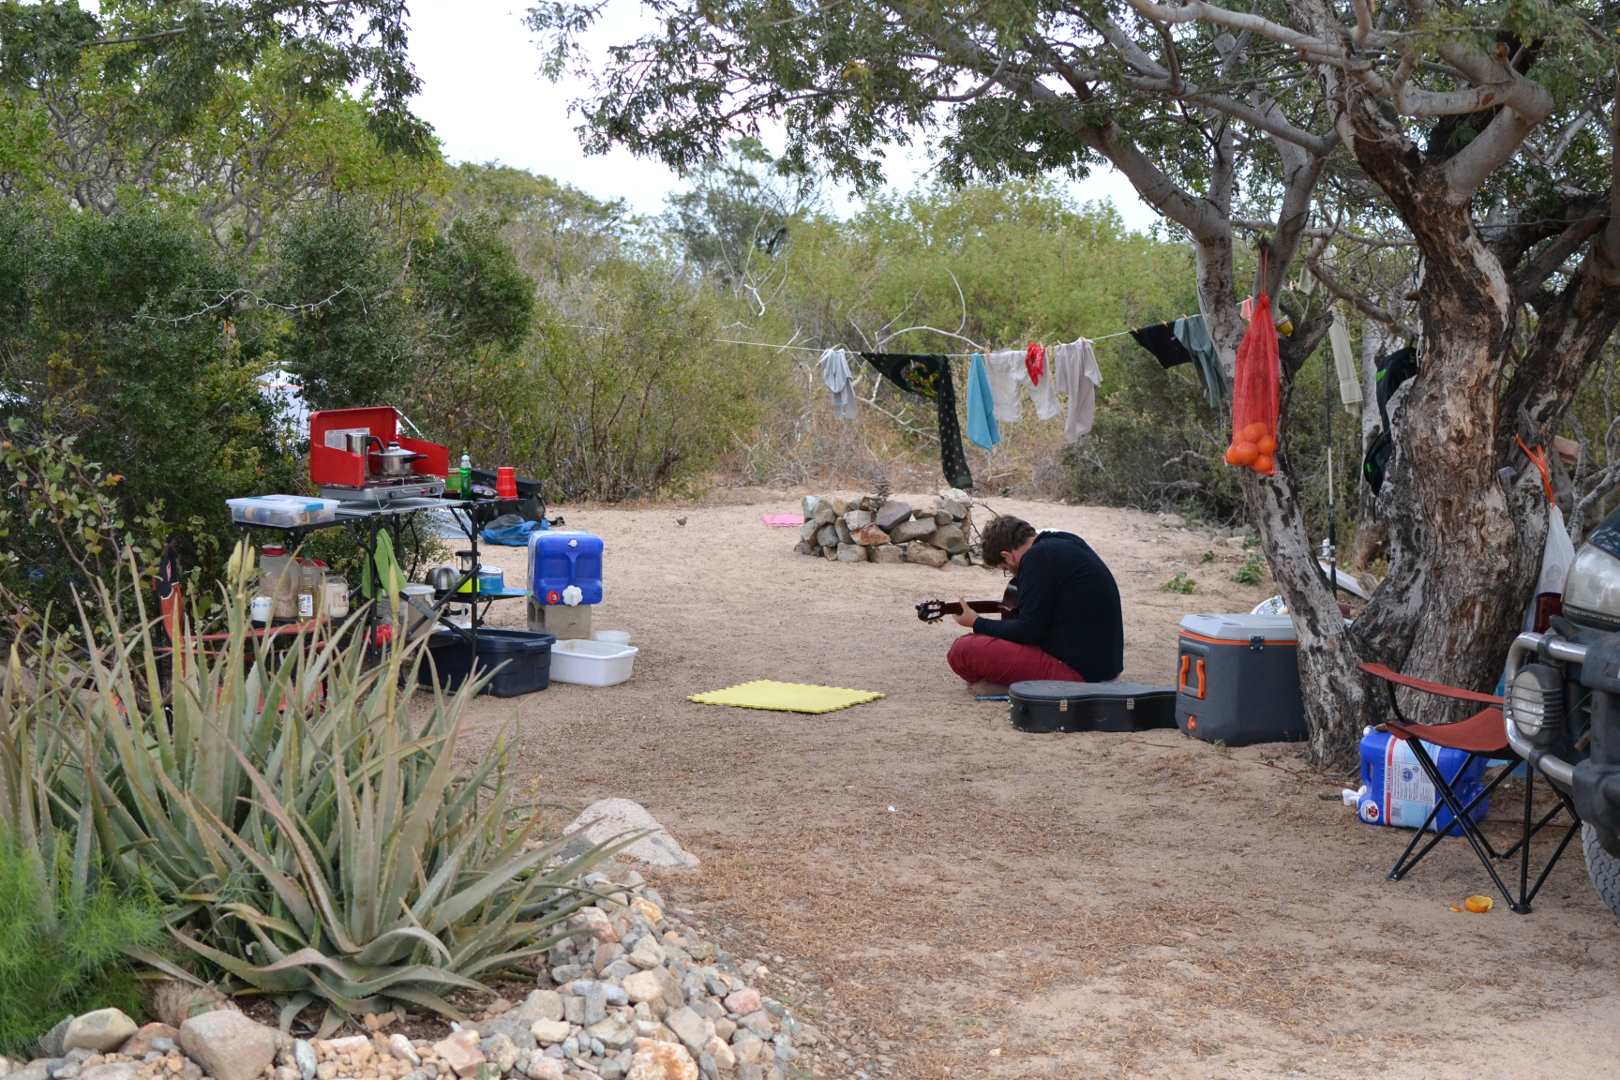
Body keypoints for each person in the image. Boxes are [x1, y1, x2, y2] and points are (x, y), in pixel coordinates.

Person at [947, 515, 1124, 694]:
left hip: (1079, 676)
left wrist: (977, 623)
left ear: (1007, 556)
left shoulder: (1037, 558)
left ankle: (1012, 688)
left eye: (1006, 569)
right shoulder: (1062, 540)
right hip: (1102, 669)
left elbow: (1028, 632)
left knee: (962, 650)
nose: (1012, 574)